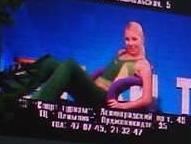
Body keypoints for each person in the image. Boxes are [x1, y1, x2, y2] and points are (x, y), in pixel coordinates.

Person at [14, 20, 156, 110]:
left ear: (142, 39)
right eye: (127, 39)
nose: (130, 43)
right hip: (92, 88)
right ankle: (10, 94)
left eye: (134, 39)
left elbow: (147, 99)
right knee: (50, 62)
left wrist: (122, 106)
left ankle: (33, 106)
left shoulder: (143, 65)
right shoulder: (121, 52)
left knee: (69, 64)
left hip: (102, 98)